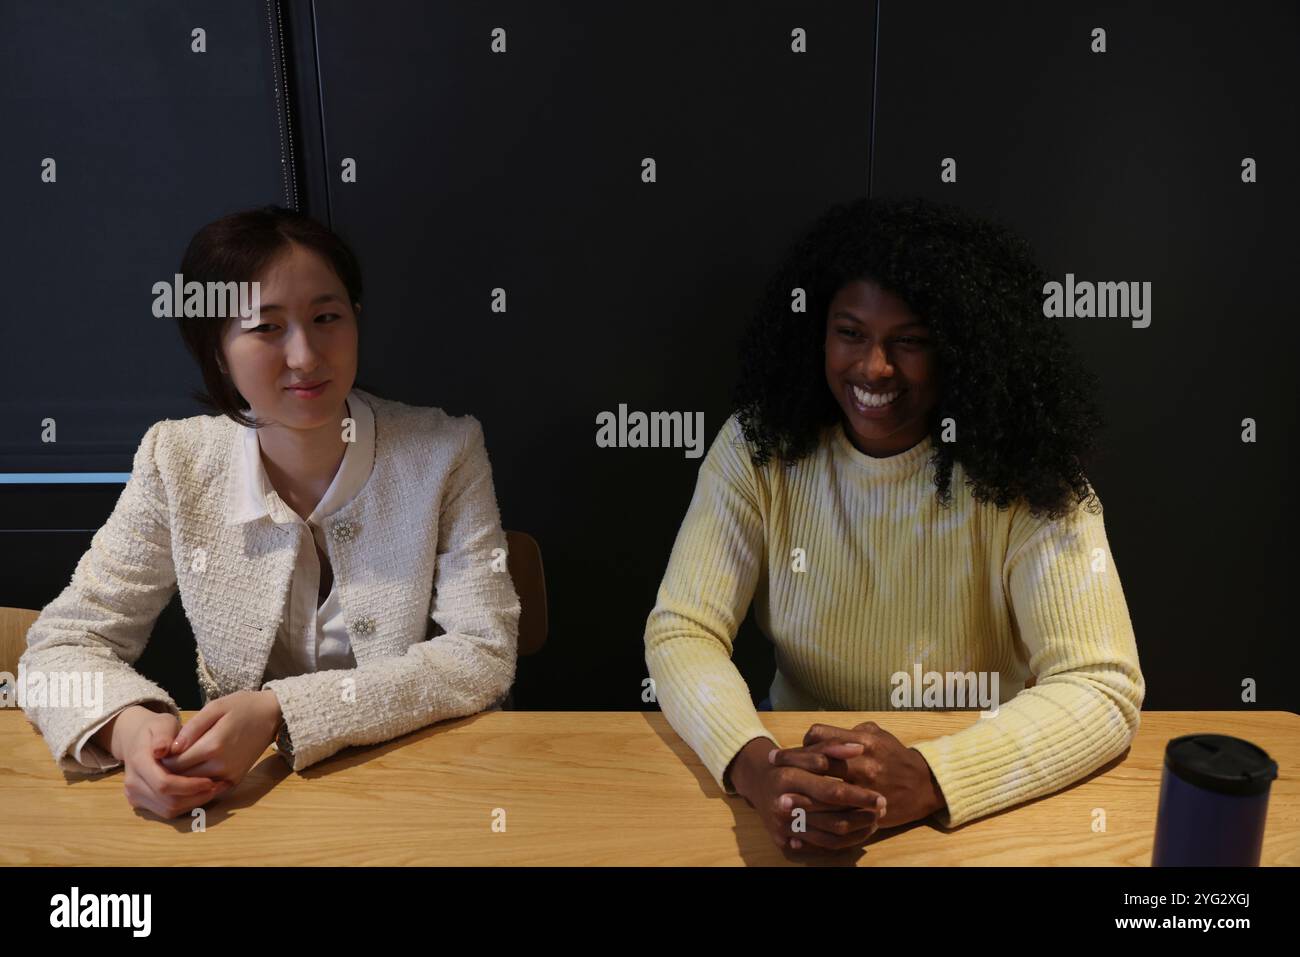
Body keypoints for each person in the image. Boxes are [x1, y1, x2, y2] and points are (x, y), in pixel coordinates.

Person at [643, 195, 1144, 852]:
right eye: (850, 332)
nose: (874, 368)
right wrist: (755, 764)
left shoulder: (1025, 473)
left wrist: (935, 775)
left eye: (909, 342)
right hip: (799, 780)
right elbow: (683, 630)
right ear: (816, 332)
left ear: (960, 349)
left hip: (981, 808)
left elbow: (1102, 684)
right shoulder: (756, 449)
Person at [20, 205, 519, 820]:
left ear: (355, 321)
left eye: (327, 318)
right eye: (266, 327)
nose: (306, 356)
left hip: (428, 789)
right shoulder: (176, 460)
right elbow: (60, 645)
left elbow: (482, 651)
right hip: (248, 805)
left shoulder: (445, 451)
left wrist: (281, 711)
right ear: (216, 349)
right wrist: (128, 730)